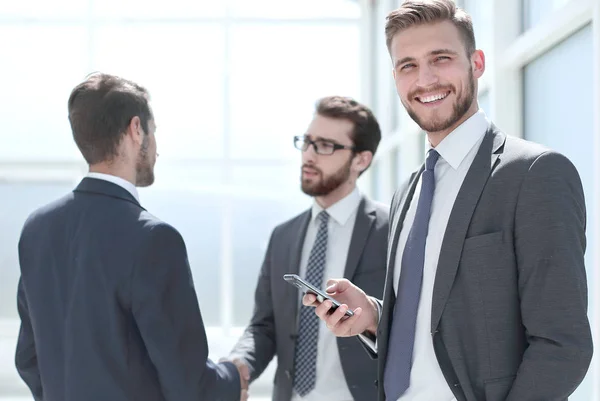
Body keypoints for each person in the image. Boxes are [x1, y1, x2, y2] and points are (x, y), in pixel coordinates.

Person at [303, 1, 593, 401]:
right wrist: (372, 317)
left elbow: (563, 345)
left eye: (441, 58)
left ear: (476, 62)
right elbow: (437, 323)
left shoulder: (533, 174)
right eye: (408, 65)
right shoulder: (408, 191)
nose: (425, 79)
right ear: (395, 78)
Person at [15, 72, 248, 401]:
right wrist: (233, 379)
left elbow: (28, 358)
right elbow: (187, 383)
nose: (156, 147)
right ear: (136, 130)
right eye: (153, 132)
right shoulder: (153, 239)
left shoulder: (36, 229)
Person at [225, 96, 389, 401]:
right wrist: (240, 364)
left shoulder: (392, 229)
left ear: (361, 160)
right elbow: (264, 326)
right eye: (307, 142)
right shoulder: (283, 236)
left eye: (325, 145)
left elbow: (410, 324)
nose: (309, 156)